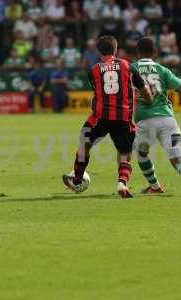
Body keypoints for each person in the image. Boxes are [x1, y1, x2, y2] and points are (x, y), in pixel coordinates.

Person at [62, 35, 153, 198]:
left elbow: (99, 92)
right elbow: (145, 92)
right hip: (123, 118)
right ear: (115, 49)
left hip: (100, 118)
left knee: (84, 143)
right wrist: (147, 99)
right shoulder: (128, 66)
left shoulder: (93, 70)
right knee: (124, 153)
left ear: (98, 51)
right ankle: (122, 183)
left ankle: (76, 178)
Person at [133, 37, 181, 197]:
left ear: (137, 52)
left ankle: (154, 186)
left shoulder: (131, 69)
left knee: (141, 154)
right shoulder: (163, 70)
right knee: (177, 158)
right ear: (154, 52)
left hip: (144, 121)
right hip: (168, 121)